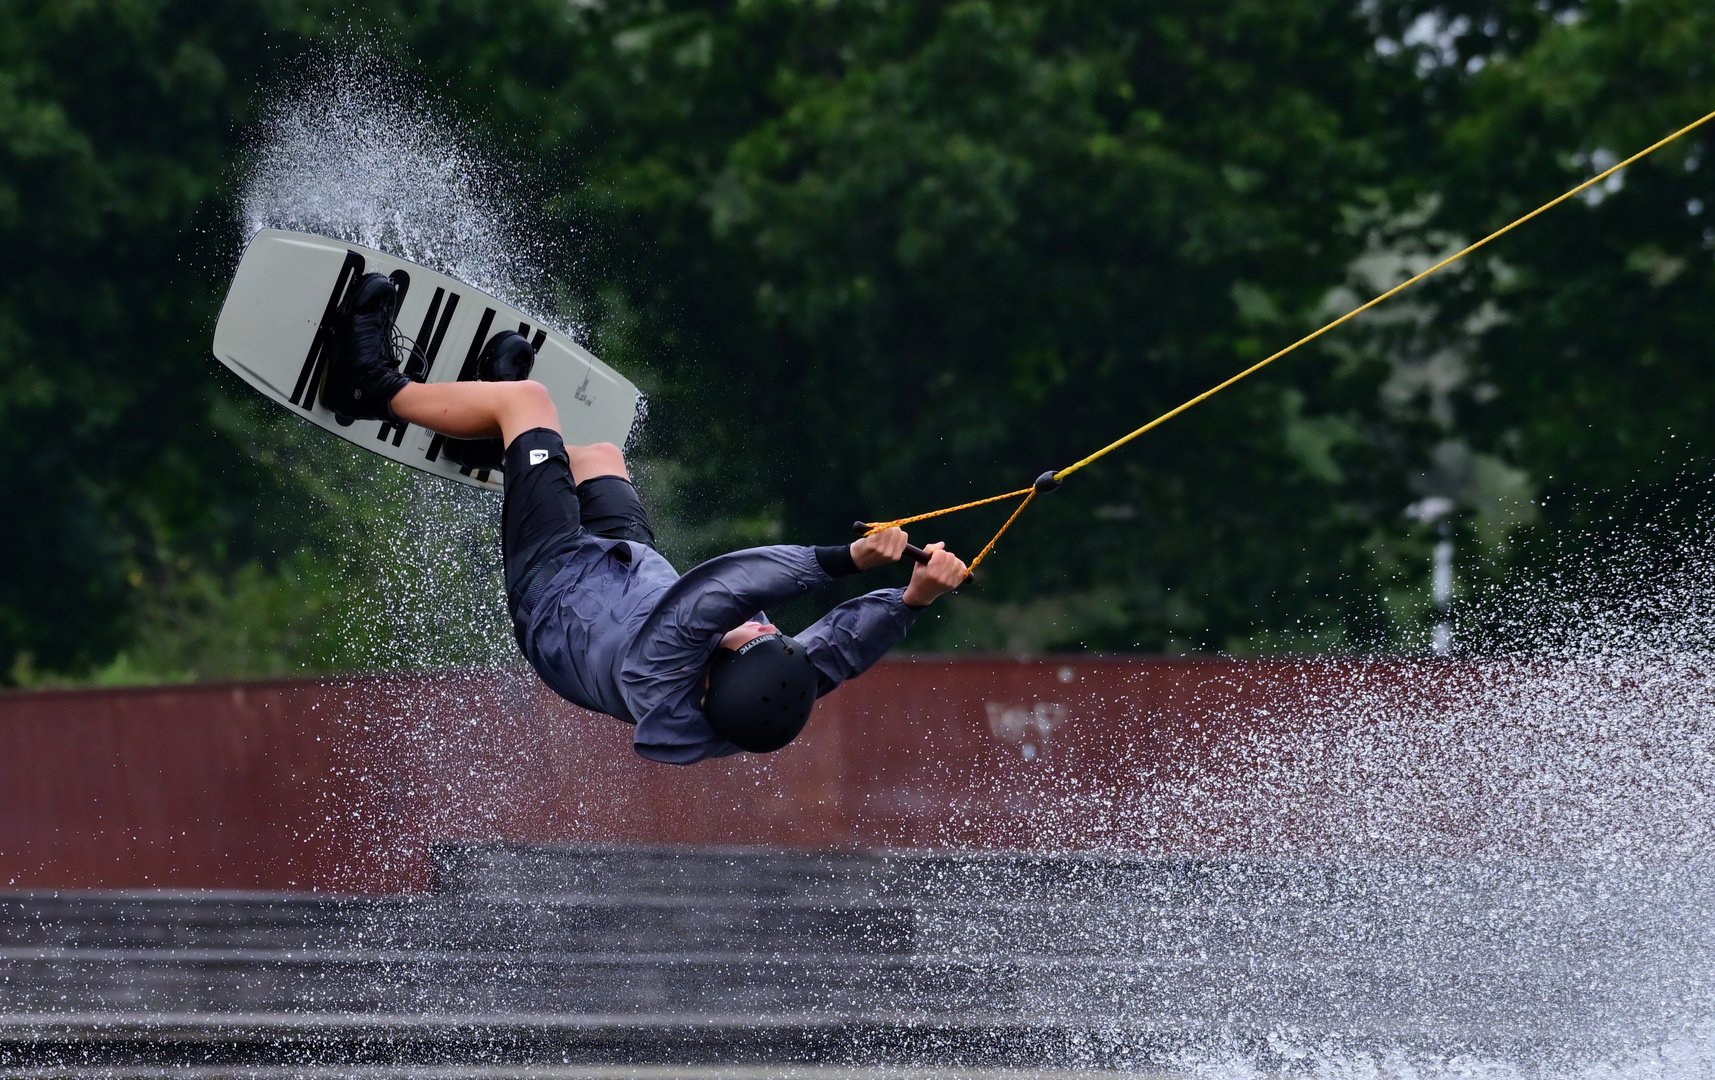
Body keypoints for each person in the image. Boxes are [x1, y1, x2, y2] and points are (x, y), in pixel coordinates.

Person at [319, 271, 969, 763]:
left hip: (555, 589)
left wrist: (846, 560)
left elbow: (727, 589)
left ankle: (374, 385)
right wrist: (912, 598)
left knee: (530, 400)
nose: (760, 630)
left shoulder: (661, 670)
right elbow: (840, 651)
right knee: (597, 455)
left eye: (754, 640)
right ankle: (490, 436)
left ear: (711, 675)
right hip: (629, 578)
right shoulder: (758, 697)